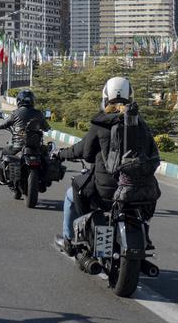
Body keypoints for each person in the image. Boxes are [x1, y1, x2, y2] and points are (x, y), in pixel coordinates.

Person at [54, 76, 158, 251]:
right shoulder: (142, 125)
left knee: (70, 196)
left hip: (104, 192)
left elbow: (85, 153)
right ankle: (143, 234)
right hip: (139, 192)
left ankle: (69, 240)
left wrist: (61, 154)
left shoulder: (101, 123)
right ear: (131, 98)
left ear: (105, 98)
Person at [0, 88, 50, 185]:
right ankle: (44, 179)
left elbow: (4, 123)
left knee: (4, 153)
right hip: (36, 148)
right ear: (32, 101)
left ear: (19, 101)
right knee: (46, 157)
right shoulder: (39, 114)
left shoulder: (15, 113)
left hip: (17, 146)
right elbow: (46, 127)